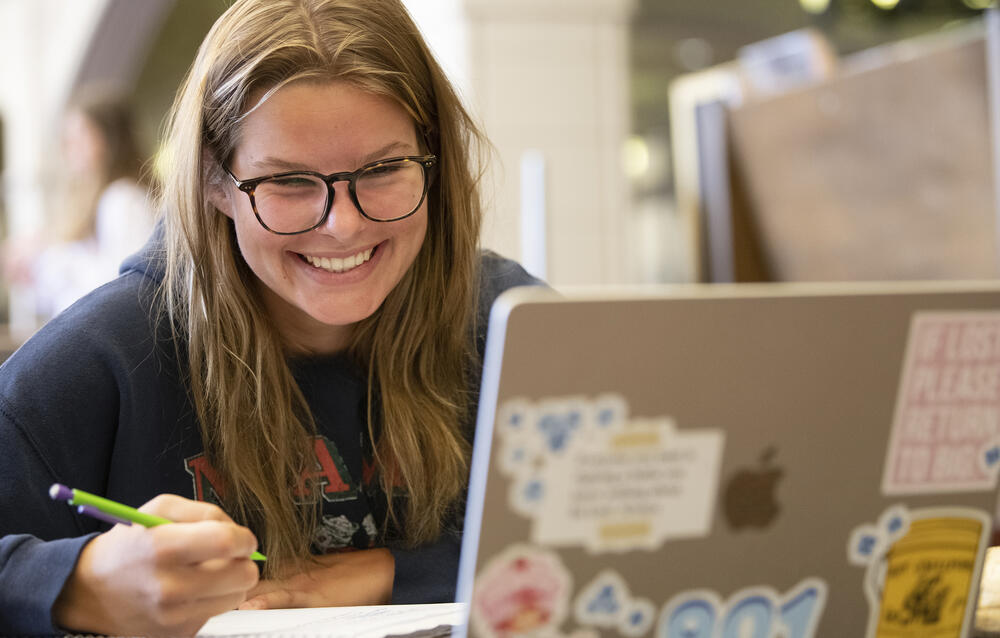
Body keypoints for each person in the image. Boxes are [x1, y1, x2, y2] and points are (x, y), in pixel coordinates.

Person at [0, 0, 541, 635]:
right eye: (288, 183)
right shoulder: (103, 357)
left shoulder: (514, 323)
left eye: (385, 169)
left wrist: (386, 571)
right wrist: (77, 586)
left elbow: (635, 531)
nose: (344, 223)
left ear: (435, 160)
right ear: (214, 183)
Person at [4, 86, 155, 321]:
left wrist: (43, 262)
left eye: (81, 135)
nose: (70, 147)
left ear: (108, 139)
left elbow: (122, 285)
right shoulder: (89, 202)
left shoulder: (123, 199)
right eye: (68, 138)